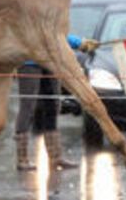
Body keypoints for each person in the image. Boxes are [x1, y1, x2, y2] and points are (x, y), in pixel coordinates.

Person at [15, 34, 99, 171]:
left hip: (50, 60)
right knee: (28, 106)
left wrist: (79, 42)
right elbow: (46, 32)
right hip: (29, 62)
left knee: (52, 106)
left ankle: (55, 158)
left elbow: (55, 31)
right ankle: (22, 159)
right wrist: (78, 43)